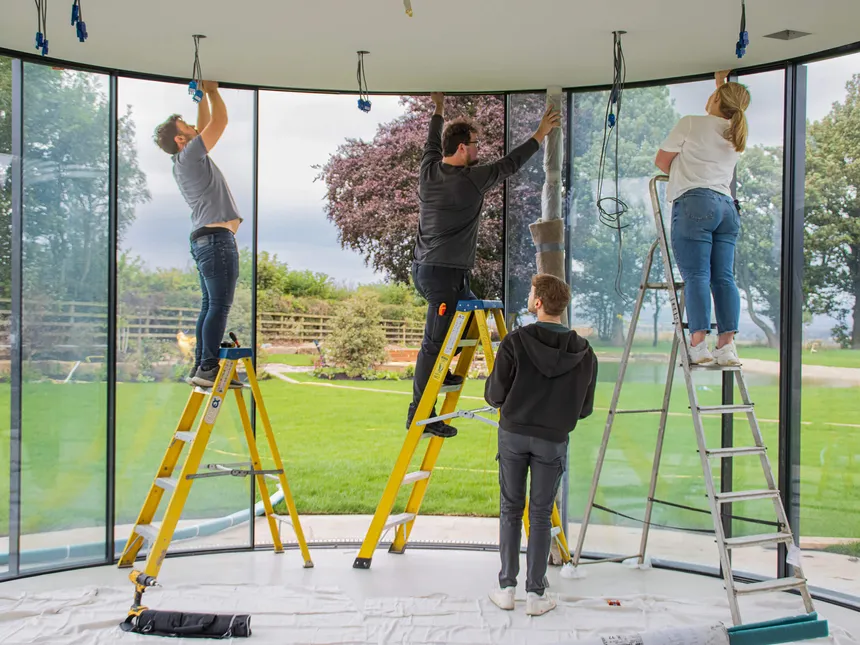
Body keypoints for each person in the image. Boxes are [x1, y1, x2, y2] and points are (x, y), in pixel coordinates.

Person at [409, 92, 561, 438]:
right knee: (433, 344)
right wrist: (540, 133)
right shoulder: (470, 180)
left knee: (467, 319)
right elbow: (510, 164)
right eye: (475, 144)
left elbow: (432, 139)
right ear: (462, 148)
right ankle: (419, 417)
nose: (479, 149)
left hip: (432, 271)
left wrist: (437, 109)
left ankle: (442, 373)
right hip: (442, 274)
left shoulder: (429, 171)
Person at [484, 274, 598, 616]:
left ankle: (507, 588)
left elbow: (494, 396)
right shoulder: (585, 352)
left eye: (532, 294)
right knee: (540, 514)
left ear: (538, 303)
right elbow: (586, 409)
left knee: (510, 508)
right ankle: (536, 595)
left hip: (514, 435)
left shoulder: (515, 342)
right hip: (553, 440)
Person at [655, 70, 751, 366]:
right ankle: (727, 346)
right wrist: (721, 85)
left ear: (715, 99)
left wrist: (684, 167)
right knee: (724, 278)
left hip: (695, 204)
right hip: (726, 209)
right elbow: (724, 109)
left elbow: (661, 161)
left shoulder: (691, 123)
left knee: (697, 276)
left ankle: (698, 345)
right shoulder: (735, 131)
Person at [154, 80, 243, 388]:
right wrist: (214, 91)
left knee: (210, 305)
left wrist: (203, 96)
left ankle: (201, 367)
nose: (194, 127)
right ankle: (207, 367)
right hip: (216, 241)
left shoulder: (184, 159)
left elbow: (204, 124)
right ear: (181, 139)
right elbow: (219, 123)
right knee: (218, 306)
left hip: (205, 240)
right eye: (187, 127)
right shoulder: (190, 156)